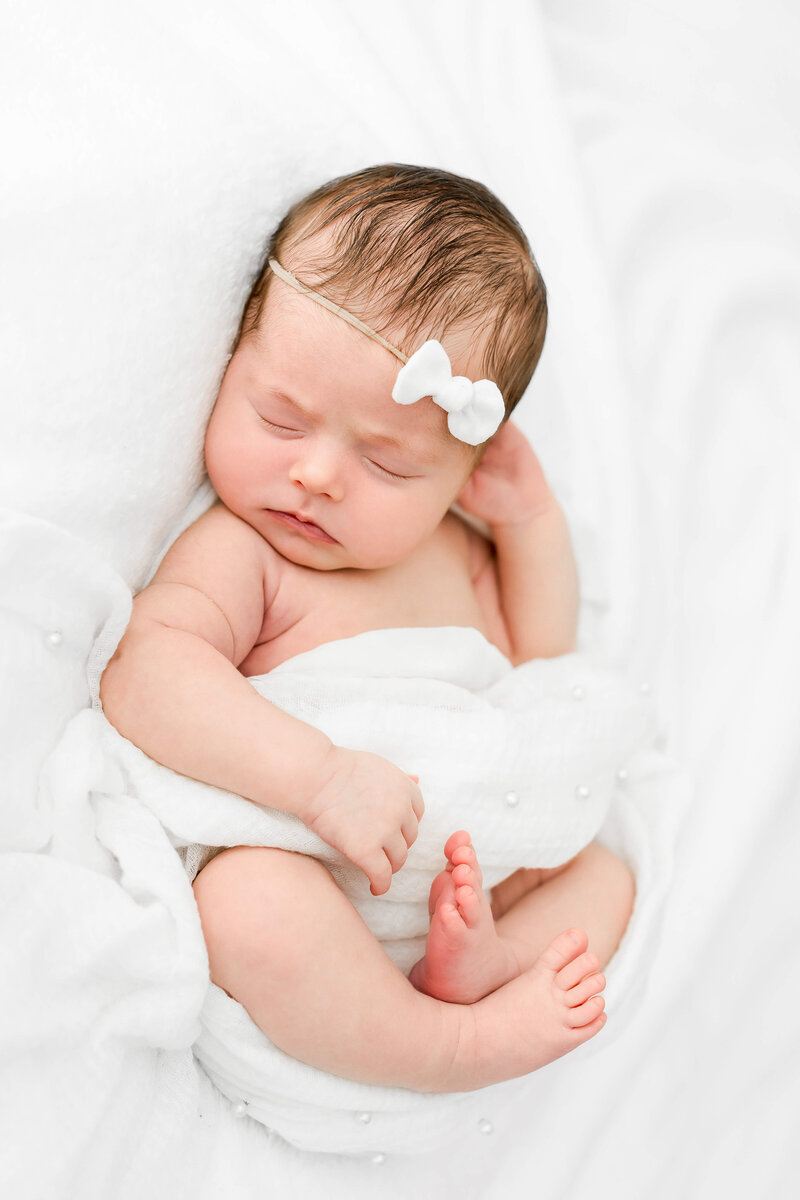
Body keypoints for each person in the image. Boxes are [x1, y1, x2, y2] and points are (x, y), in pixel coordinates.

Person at [100, 163, 635, 1095]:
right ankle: (443, 1047)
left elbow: (542, 663)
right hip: (316, 859)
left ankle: (492, 963)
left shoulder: (451, 548)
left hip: (473, 857)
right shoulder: (248, 552)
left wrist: (529, 525)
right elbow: (148, 671)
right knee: (246, 908)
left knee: (608, 873)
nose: (316, 476)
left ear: (459, 476)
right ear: (232, 364)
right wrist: (317, 777)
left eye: (387, 466)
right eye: (280, 417)